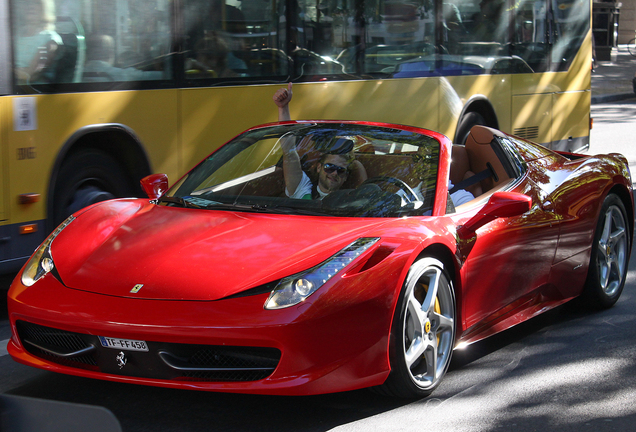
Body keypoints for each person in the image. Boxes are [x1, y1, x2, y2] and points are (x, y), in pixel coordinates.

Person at [273, 83, 366, 199]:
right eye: (329, 167)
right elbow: (289, 150)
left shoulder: (351, 200)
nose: (334, 173)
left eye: (341, 170)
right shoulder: (302, 189)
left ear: (346, 177)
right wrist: (283, 107)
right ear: (319, 167)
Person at [13, 0, 63, 83]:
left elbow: (30, 75)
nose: (30, 6)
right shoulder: (14, 36)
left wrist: (8, 70)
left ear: (46, 9)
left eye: (36, 3)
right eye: (28, 3)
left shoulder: (50, 39)